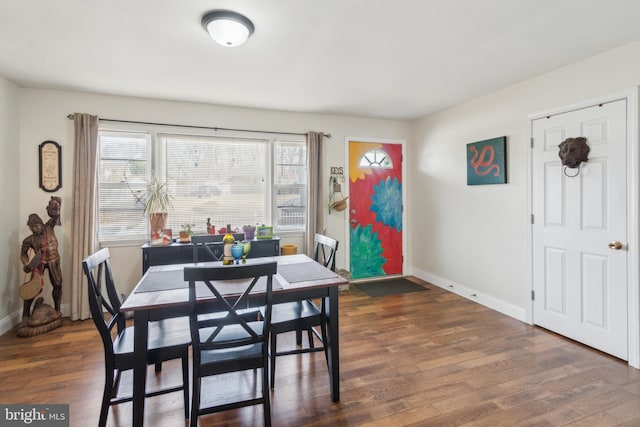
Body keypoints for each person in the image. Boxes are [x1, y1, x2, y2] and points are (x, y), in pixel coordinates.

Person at [20, 197, 62, 319]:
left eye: (36, 225)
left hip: (54, 261)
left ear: (41, 224)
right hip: (39, 263)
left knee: (58, 285)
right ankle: (26, 313)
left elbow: (56, 216)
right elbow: (23, 253)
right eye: (31, 227)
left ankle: (57, 310)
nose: (34, 228)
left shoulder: (49, 227)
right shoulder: (29, 239)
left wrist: (55, 207)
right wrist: (26, 263)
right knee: (33, 288)